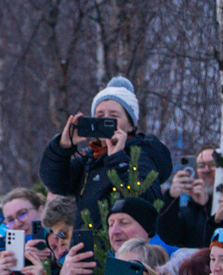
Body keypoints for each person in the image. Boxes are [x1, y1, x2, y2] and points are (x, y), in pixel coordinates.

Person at [39, 78, 173, 248]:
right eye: (100, 116)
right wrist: (62, 148)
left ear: (131, 125)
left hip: (120, 254)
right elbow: (55, 182)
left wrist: (118, 160)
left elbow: (149, 202)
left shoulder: (141, 154)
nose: (104, 121)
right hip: (84, 256)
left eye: (113, 116)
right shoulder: (90, 158)